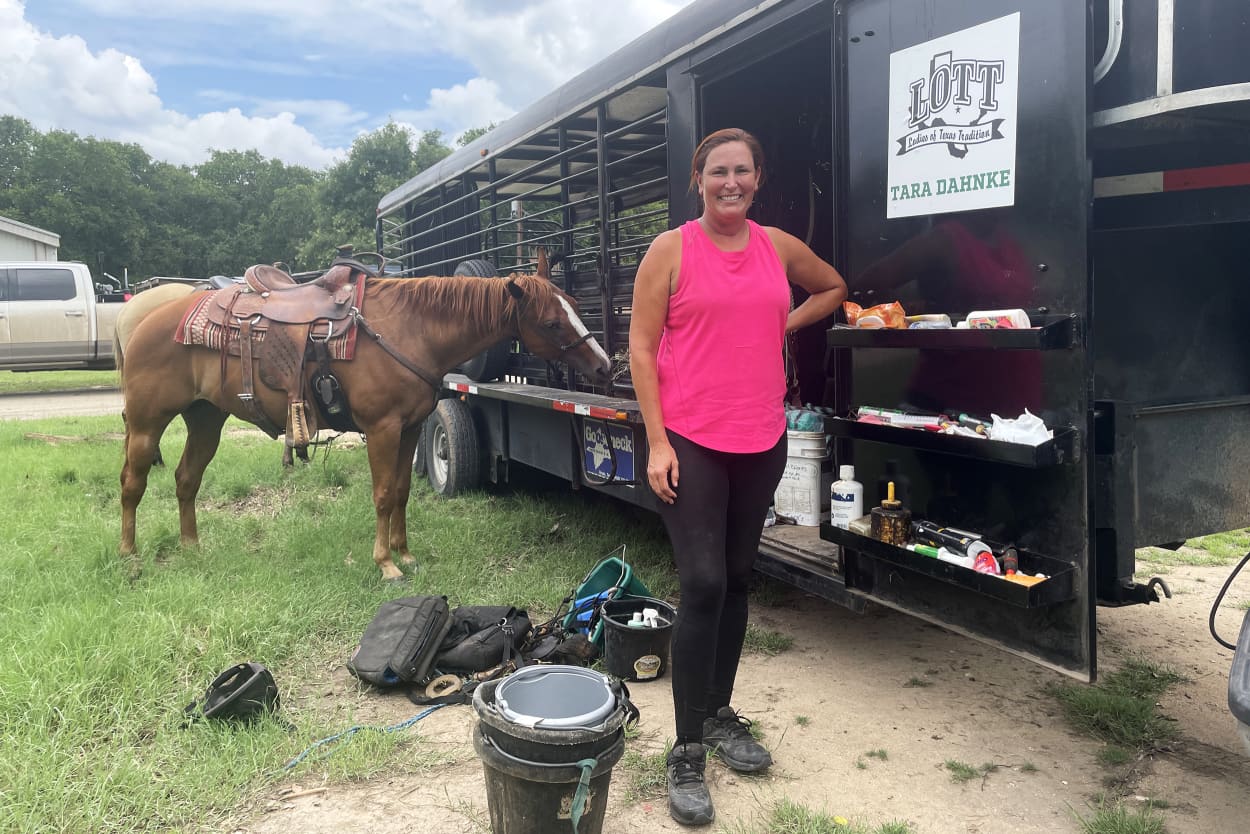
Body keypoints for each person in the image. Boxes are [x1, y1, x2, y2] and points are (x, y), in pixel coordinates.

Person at [629, 127, 847, 826]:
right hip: (690, 437)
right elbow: (639, 347)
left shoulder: (776, 246)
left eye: (742, 171)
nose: (731, 182)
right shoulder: (671, 250)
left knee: (741, 579)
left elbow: (835, 288)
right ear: (698, 179)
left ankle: (719, 713)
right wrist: (657, 441)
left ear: (758, 178)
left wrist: (787, 320)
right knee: (703, 584)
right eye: (718, 171)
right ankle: (687, 749)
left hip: (761, 438)